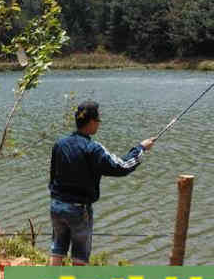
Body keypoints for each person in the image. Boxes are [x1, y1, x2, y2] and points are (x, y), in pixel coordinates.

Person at [49, 101, 155, 266]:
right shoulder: (93, 148)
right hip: (78, 209)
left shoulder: (60, 144)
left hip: (57, 205)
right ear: (91, 122)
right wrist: (140, 149)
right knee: (80, 256)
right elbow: (120, 167)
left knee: (57, 249)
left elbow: (52, 175)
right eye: (98, 121)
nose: (98, 124)